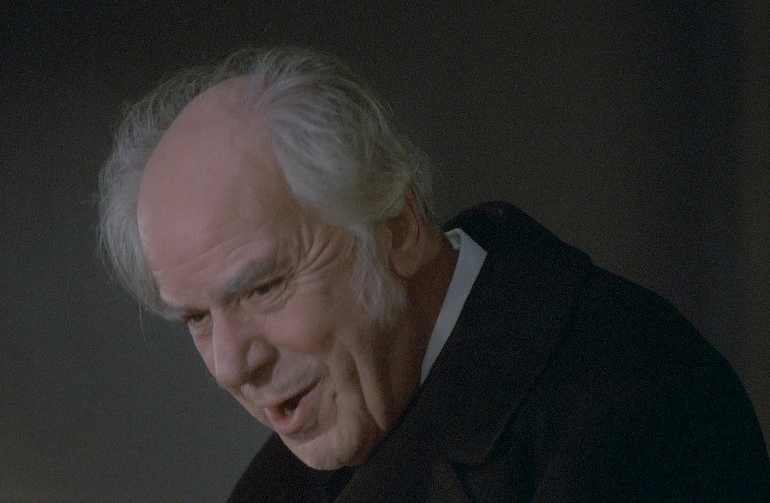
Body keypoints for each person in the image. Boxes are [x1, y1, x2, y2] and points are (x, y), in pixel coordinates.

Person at [98, 47, 769, 501]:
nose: (228, 364)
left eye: (263, 287)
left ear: (396, 229)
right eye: (196, 317)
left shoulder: (641, 411)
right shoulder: (282, 479)